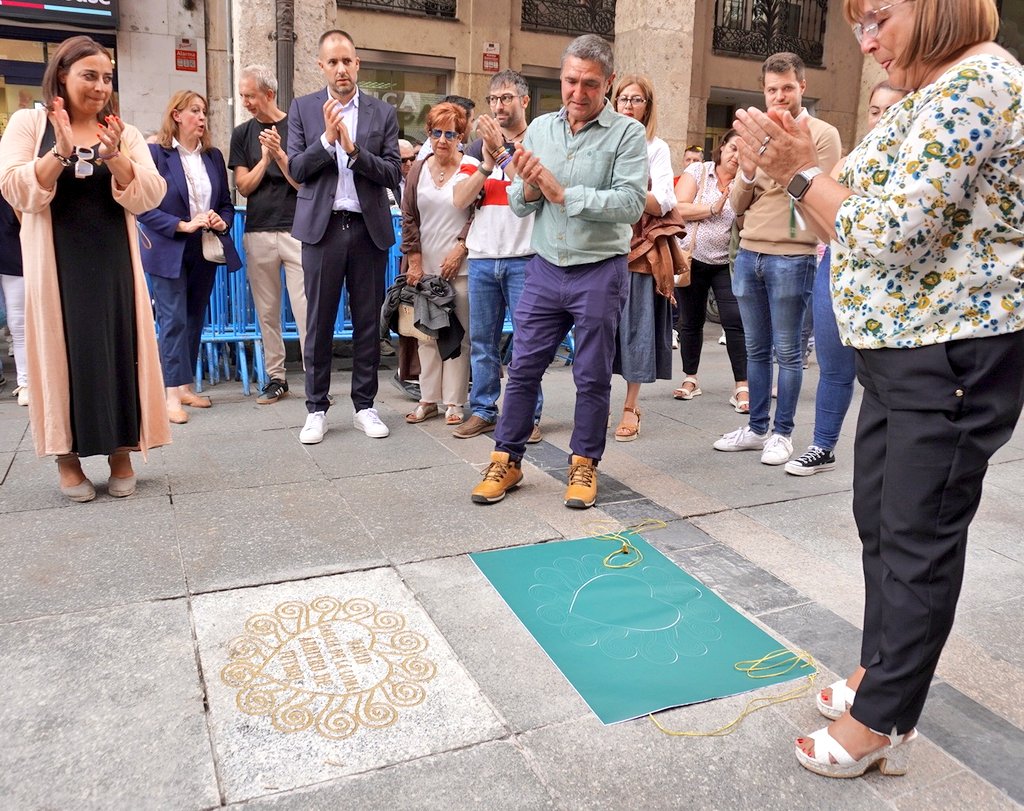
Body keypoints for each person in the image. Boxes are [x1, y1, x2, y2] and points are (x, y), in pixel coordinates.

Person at [735, 0, 1023, 777]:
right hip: (903, 349)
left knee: (917, 535)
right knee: (883, 521)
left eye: (878, 17)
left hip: (950, 349)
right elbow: (845, 218)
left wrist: (800, 172)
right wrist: (799, 173)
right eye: (857, 23)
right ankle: (881, 667)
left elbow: (892, 232)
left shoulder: (980, 82)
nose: (865, 41)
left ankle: (885, 719)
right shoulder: (934, 89)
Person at [470, 33, 647, 509]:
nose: (578, 92)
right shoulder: (541, 130)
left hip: (599, 269)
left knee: (591, 374)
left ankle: (584, 463)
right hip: (545, 267)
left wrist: (562, 193)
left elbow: (631, 204)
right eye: (570, 81)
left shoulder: (627, 134)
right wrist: (530, 186)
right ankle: (506, 459)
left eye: (590, 83)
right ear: (561, 78)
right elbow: (519, 202)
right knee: (523, 367)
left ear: (608, 83)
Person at [0, 34, 170, 501]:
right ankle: (67, 458)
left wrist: (114, 155)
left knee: (119, 351)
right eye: (89, 76)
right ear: (61, 75)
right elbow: (14, 188)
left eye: (107, 77)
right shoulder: (29, 124)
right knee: (64, 357)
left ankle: (120, 450)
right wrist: (59, 151)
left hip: (114, 265)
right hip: (57, 266)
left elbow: (151, 193)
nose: (100, 86)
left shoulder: (121, 131)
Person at [714, 52, 841, 466]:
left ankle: (782, 433)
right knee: (755, 349)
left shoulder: (821, 134)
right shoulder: (755, 133)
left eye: (787, 87)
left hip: (792, 254)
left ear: (802, 87)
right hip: (749, 251)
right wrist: (749, 171)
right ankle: (756, 429)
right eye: (772, 89)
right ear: (764, 91)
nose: (780, 96)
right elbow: (736, 204)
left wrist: (785, 170)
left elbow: (816, 195)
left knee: (788, 352)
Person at [785, 81, 907, 476]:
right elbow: (824, 230)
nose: (881, 118)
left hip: (891, 284)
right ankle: (823, 445)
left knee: (889, 377)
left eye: (891, 109)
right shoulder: (852, 161)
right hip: (836, 269)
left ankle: (897, 458)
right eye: (874, 110)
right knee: (834, 366)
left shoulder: (916, 164)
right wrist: (800, 185)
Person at [287, 29, 402, 444]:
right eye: (333, 61)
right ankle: (316, 408)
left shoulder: (381, 113)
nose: (341, 69)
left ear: (357, 64)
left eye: (347, 61)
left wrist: (354, 151)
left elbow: (393, 172)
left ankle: (364, 406)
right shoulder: (303, 108)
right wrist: (326, 141)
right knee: (318, 322)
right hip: (322, 230)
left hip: (368, 229)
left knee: (368, 322)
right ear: (321, 65)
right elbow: (297, 169)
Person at [139, 91, 242, 425]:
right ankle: (170, 396)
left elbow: (225, 203)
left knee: (195, 316)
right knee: (172, 319)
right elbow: (143, 207)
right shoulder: (155, 154)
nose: (202, 118)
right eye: (195, 111)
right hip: (167, 247)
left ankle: (184, 387)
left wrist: (221, 220)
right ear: (177, 115)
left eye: (205, 112)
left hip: (203, 246)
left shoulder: (212, 156)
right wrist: (181, 224)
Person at [451, 69, 543, 443]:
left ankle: (527, 415)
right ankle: (484, 410)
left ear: (524, 100)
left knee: (527, 342)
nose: (498, 105)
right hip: (483, 256)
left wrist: (503, 153)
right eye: (493, 99)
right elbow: (459, 199)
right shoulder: (476, 149)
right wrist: (487, 163)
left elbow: (533, 189)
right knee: (482, 343)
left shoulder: (538, 140)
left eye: (506, 98)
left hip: (526, 256)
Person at [229, 64, 308, 406]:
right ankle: (276, 378)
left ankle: (315, 379)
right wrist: (264, 160)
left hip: (297, 229)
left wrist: (279, 154)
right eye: (242, 95)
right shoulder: (242, 133)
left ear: (269, 94)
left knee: (306, 309)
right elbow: (243, 186)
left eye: (250, 95)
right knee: (267, 311)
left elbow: (303, 184)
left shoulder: (297, 127)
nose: (246, 101)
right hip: (258, 230)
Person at [610, 74, 676, 442]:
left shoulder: (656, 147)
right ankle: (595, 400)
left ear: (647, 107)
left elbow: (664, 200)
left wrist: (625, 192)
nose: (629, 106)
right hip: (599, 245)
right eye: (624, 99)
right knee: (599, 330)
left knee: (635, 327)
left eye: (637, 100)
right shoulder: (602, 139)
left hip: (636, 248)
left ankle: (630, 406)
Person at [399, 102, 472, 425]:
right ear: (429, 134)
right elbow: (409, 217)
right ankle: (428, 398)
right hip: (425, 267)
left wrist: (461, 249)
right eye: (437, 132)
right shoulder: (418, 168)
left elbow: (477, 213)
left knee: (459, 334)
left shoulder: (471, 166)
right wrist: (414, 261)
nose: (443, 140)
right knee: (426, 335)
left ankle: (454, 402)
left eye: (450, 134)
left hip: (461, 265)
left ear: (461, 136)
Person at [672, 129, 748, 412]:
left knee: (734, 320)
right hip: (692, 259)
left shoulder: (746, 181)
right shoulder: (699, 171)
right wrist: (713, 208)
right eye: (733, 148)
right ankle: (690, 378)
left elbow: (745, 222)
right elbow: (678, 209)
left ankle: (742, 385)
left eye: (744, 152)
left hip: (726, 263)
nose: (736, 156)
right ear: (722, 148)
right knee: (691, 322)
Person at [0, 194, 27, 406]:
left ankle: (26, 382)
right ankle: (25, 382)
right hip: (13, 248)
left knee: (20, 324)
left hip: (13, 251)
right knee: (19, 325)